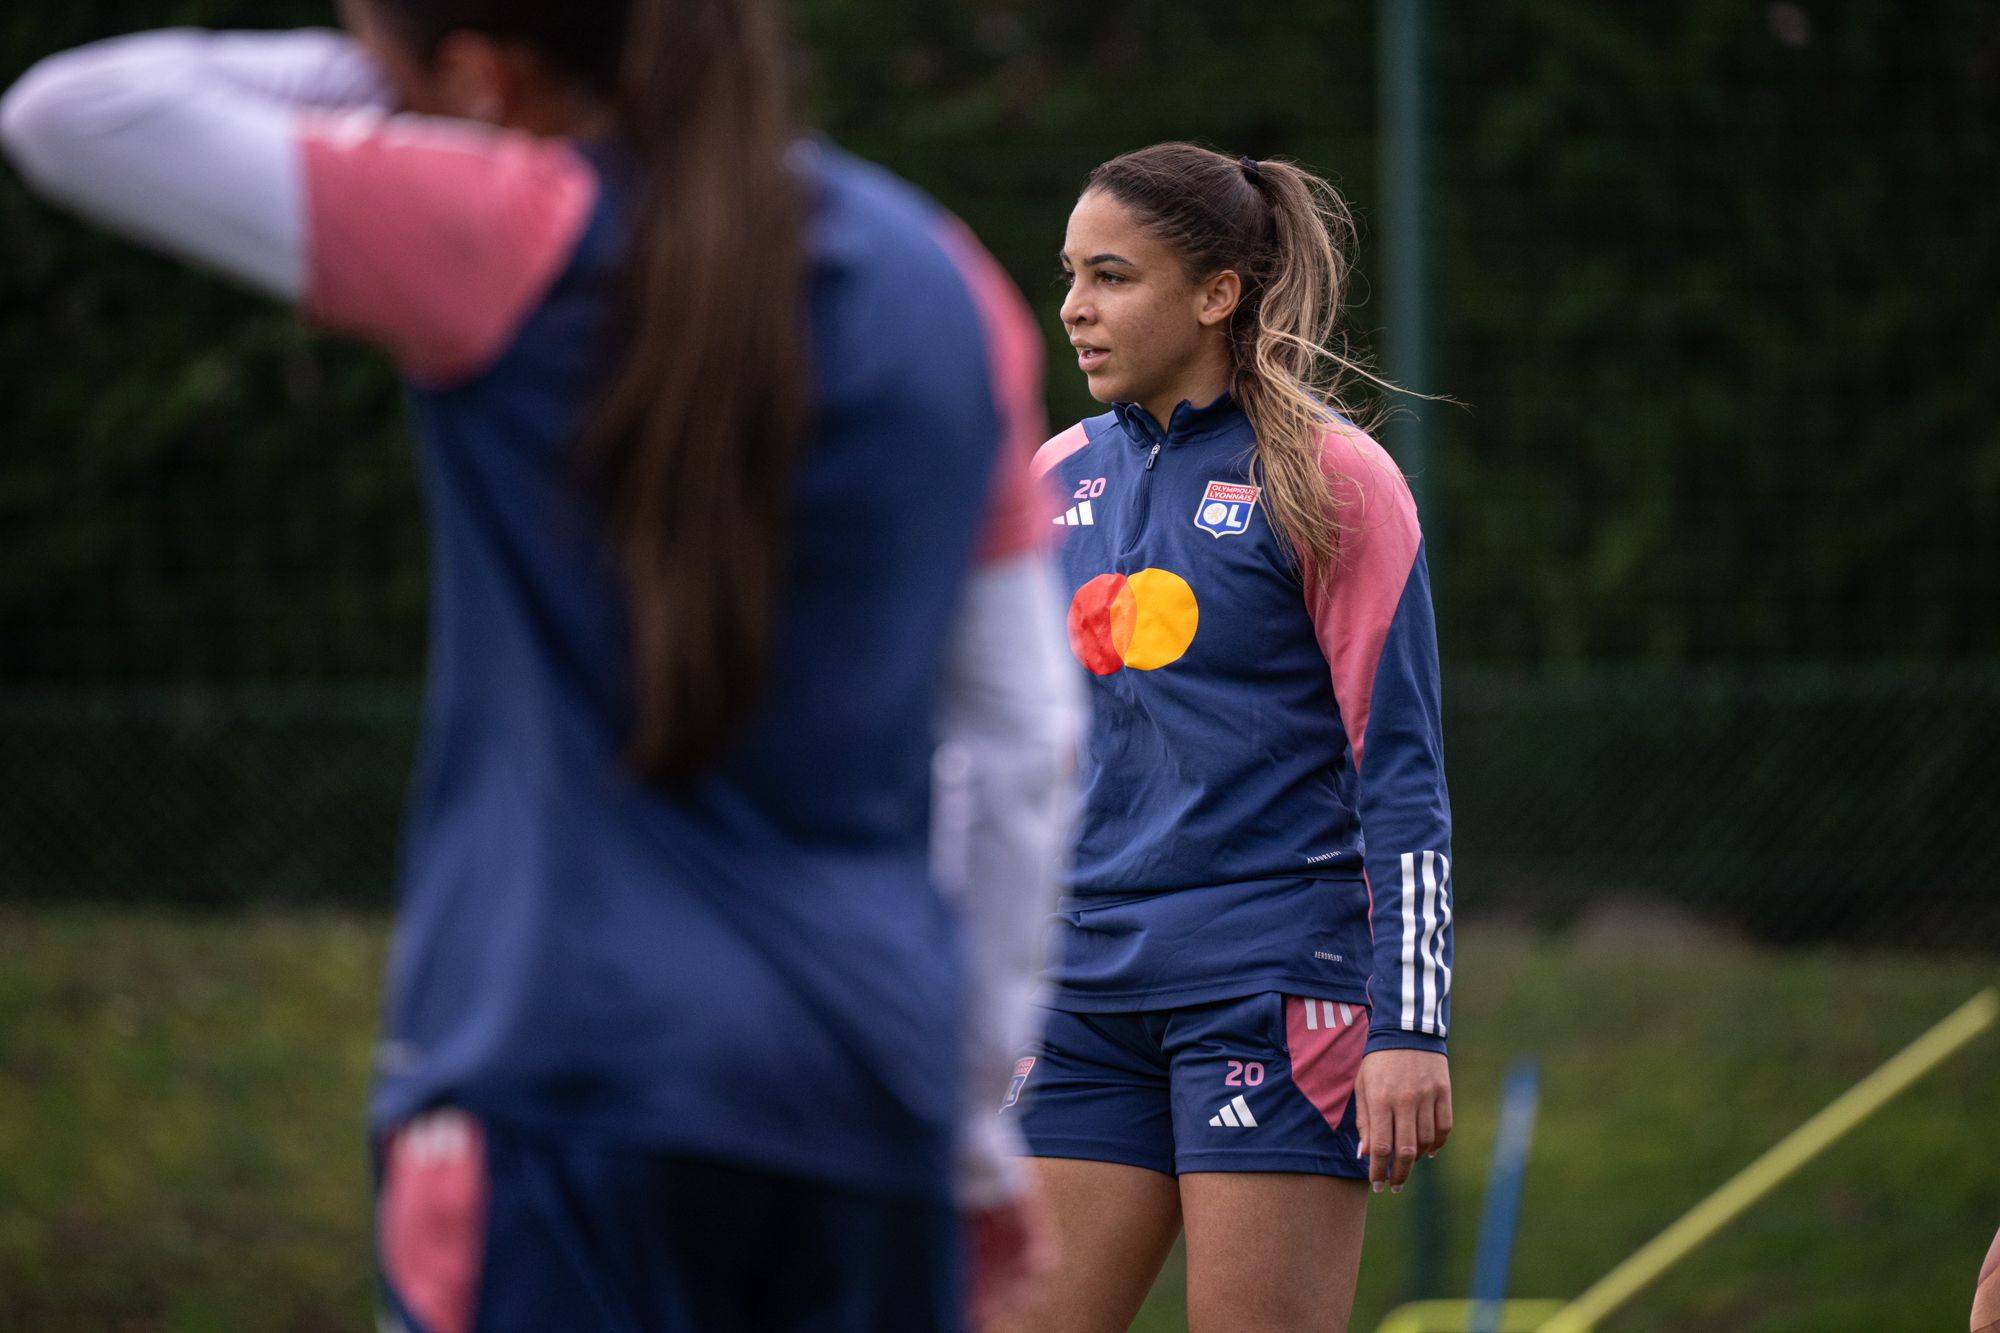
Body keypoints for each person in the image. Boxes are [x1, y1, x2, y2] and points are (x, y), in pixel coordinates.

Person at [0, 4, 1078, 1329]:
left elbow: (75, 114)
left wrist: (395, 80)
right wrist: (972, 1118)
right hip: (864, 1092)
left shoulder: (499, 227)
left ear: (481, 68)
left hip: (557, 1071)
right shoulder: (950, 282)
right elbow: (1026, 742)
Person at [997, 142, 1455, 1333]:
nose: (1074, 310)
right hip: (1082, 995)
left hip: (1268, 992)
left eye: (1111, 276)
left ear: (1216, 294)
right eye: (1068, 276)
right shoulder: (1052, 481)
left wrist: (1409, 1024)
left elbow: (1399, 773)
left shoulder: (1334, 480)